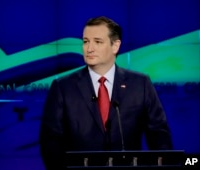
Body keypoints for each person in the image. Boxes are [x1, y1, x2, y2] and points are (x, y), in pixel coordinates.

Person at [39, 16, 173, 169]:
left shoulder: (140, 84)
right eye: (85, 41)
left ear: (115, 46)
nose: (89, 48)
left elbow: (159, 137)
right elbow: (50, 143)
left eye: (98, 42)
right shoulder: (62, 87)